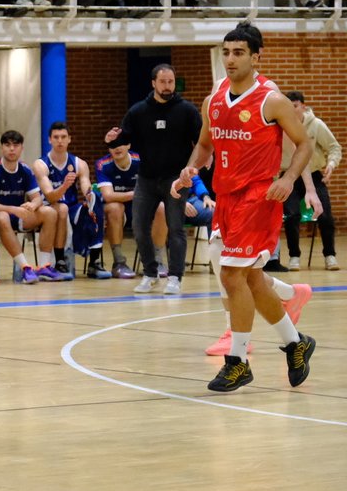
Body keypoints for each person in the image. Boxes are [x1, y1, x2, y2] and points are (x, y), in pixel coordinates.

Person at [174, 21, 316, 392]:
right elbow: (205, 146)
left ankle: (237, 362)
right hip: (226, 197)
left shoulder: (272, 100)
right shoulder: (215, 98)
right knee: (251, 279)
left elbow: (304, 144)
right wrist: (191, 168)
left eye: (238, 53)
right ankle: (295, 342)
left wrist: (287, 180)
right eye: (226, 52)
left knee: (231, 276)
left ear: (256, 57)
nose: (230, 59)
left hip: (259, 197)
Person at [105, 63, 202, 295]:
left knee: (176, 228)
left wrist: (192, 168)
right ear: (153, 83)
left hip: (175, 180)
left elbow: (201, 142)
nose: (168, 86)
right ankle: (150, 273)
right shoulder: (139, 111)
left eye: (171, 82)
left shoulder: (187, 110)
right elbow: (123, 138)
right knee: (139, 228)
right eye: (163, 82)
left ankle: (175, 277)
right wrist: (110, 140)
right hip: (146, 179)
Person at [0, 130, 65, 283]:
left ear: (21, 148)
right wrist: (14, 209)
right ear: (2, 148)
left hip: (19, 215)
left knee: (49, 212)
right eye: (7, 145)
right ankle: (26, 268)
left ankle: (44, 266)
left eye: (16, 145)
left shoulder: (25, 170)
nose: (12, 149)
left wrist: (33, 204)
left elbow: (38, 198)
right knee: (2, 215)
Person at [32, 122, 109, 279]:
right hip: (48, 208)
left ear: (69, 139)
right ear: (49, 140)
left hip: (72, 206)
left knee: (96, 205)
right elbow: (50, 196)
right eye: (56, 137)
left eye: (63, 137)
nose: (60, 141)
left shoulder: (79, 163)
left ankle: (94, 262)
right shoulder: (41, 164)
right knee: (61, 208)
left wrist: (91, 195)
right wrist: (65, 185)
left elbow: (86, 187)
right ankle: (60, 261)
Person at [282, 92, 340, 271]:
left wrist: (331, 164)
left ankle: (329, 255)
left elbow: (334, 147)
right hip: (289, 176)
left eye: (296, 106)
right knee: (291, 215)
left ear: (303, 107)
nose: (292, 110)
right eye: (289, 106)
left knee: (325, 216)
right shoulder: (281, 127)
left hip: (314, 176)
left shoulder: (316, 125)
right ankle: (294, 256)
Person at [95, 133, 158, 279]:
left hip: (140, 206)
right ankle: (119, 263)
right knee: (115, 207)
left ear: (129, 145)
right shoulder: (102, 164)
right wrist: (136, 194)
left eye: (121, 143)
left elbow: (154, 189)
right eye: (112, 145)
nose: (117, 148)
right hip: (118, 210)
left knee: (160, 207)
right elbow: (108, 196)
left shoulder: (141, 160)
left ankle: (157, 261)